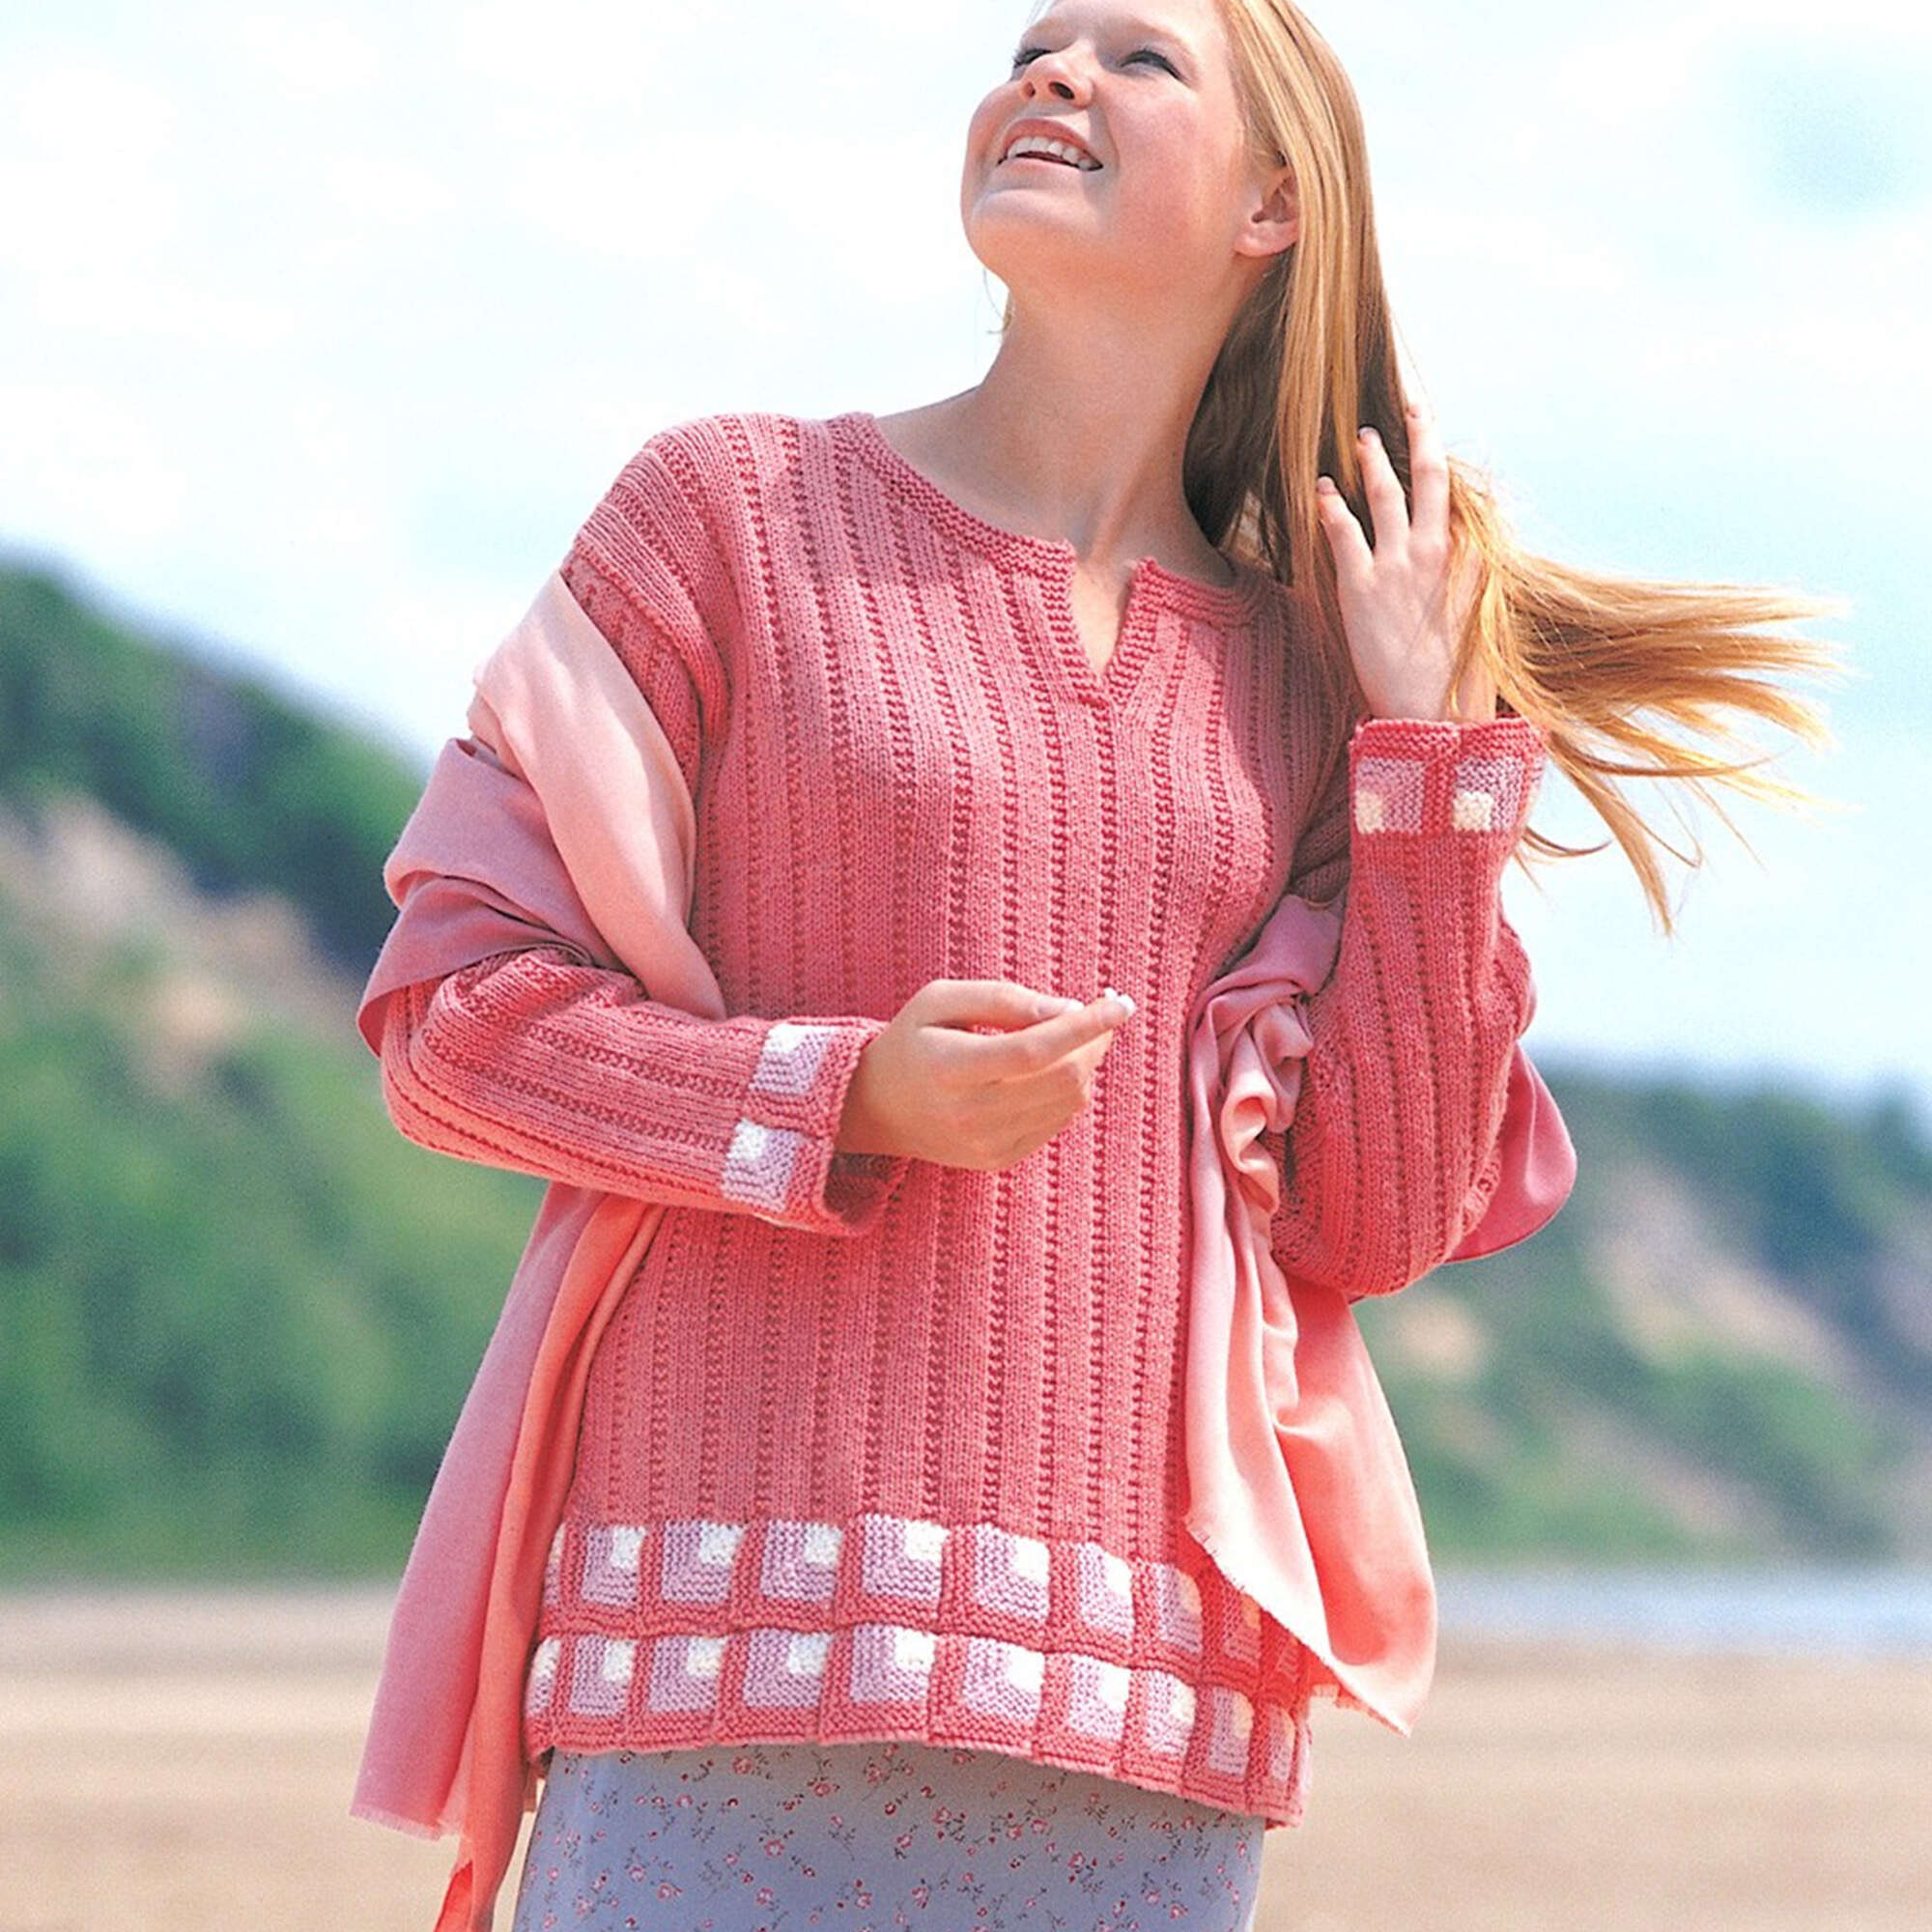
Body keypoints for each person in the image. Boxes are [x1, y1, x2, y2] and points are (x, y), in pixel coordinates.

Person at [353, 3, 1832, 1927]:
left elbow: (1378, 1218)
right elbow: (449, 1025)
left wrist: (1423, 761)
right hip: (718, 1665)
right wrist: (842, 1092)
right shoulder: (725, 515)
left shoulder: (1316, 676)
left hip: (1150, 1725)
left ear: (1274, 203)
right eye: (1033, 44)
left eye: (1137, 56)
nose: (1049, 73)